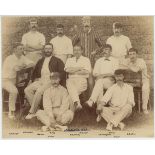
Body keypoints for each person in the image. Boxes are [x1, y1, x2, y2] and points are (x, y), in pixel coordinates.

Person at [24, 43, 65, 119]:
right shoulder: (40, 60)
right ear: (44, 50)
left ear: (52, 50)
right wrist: (32, 80)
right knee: (27, 90)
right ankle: (38, 110)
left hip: (51, 81)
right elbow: (35, 72)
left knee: (39, 91)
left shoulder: (58, 60)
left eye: (49, 48)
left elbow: (62, 73)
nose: (48, 50)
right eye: (46, 49)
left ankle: (32, 112)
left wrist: (54, 76)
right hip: (41, 80)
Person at [2, 43, 34, 119]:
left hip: (14, 80)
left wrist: (24, 66)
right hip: (5, 80)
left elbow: (32, 63)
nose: (22, 50)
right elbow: (16, 68)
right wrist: (23, 66)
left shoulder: (22, 57)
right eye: (20, 49)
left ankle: (27, 108)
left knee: (28, 86)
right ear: (15, 50)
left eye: (23, 49)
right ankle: (11, 111)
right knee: (14, 91)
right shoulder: (10, 58)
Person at [86, 44, 119, 114]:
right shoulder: (99, 61)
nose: (104, 51)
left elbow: (115, 73)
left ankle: (91, 101)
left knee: (99, 82)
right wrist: (101, 76)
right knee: (99, 85)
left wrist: (103, 75)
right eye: (104, 50)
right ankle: (100, 111)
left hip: (110, 82)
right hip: (100, 82)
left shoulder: (115, 60)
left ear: (111, 51)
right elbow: (95, 73)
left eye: (106, 50)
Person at [121, 48, 150, 114]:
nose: (132, 56)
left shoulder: (141, 61)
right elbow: (120, 67)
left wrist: (127, 65)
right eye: (130, 54)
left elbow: (135, 70)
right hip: (133, 81)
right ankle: (127, 107)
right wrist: (127, 64)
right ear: (128, 55)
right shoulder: (127, 60)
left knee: (145, 88)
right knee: (126, 87)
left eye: (134, 54)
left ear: (137, 54)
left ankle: (144, 108)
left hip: (143, 79)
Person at [65, 45, 91, 111]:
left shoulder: (86, 59)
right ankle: (77, 104)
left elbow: (87, 71)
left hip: (81, 80)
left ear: (82, 51)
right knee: (70, 84)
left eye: (78, 50)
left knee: (70, 96)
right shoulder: (69, 59)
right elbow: (67, 70)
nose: (76, 52)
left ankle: (73, 109)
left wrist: (73, 70)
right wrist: (80, 68)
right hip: (70, 80)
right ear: (73, 51)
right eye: (75, 50)